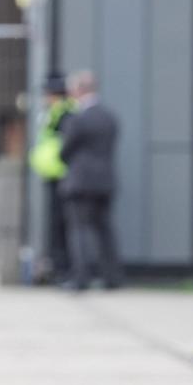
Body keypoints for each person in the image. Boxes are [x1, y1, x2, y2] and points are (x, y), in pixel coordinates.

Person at [59, 70, 122, 291]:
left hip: (80, 182)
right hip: (105, 181)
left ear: (78, 90)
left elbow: (65, 150)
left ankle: (81, 277)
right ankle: (112, 277)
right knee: (105, 229)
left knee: (79, 229)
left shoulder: (78, 119)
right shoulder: (109, 117)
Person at [28, 72, 76, 285]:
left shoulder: (65, 113)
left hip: (63, 175)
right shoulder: (54, 112)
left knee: (62, 226)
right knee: (56, 225)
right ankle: (60, 268)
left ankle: (65, 270)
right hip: (54, 175)